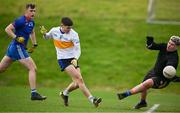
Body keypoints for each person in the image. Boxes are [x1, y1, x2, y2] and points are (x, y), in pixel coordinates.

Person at [40, 17, 102, 107]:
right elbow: (47, 37)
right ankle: (93, 100)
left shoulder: (74, 34)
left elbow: (78, 49)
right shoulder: (54, 30)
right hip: (62, 59)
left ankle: (65, 93)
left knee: (77, 84)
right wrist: (44, 34)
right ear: (62, 25)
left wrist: (75, 58)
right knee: (80, 79)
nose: (69, 29)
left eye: (70, 27)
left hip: (73, 59)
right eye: (67, 27)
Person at [117, 36, 180, 109]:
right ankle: (142, 102)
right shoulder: (164, 46)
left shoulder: (174, 58)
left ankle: (126, 94)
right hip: (154, 72)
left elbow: (169, 71)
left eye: (172, 44)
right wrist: (150, 41)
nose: (169, 45)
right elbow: (152, 46)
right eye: (169, 42)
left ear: (177, 46)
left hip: (163, 78)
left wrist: (173, 76)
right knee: (143, 87)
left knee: (147, 83)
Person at [0, 3, 47, 100]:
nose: (33, 12)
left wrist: (34, 44)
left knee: (1, 69)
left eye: (34, 11)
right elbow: (7, 29)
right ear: (26, 11)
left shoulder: (31, 22)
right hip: (17, 47)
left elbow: (32, 32)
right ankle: (34, 93)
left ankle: (34, 94)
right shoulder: (20, 20)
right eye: (31, 11)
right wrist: (16, 37)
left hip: (14, 48)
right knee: (32, 68)